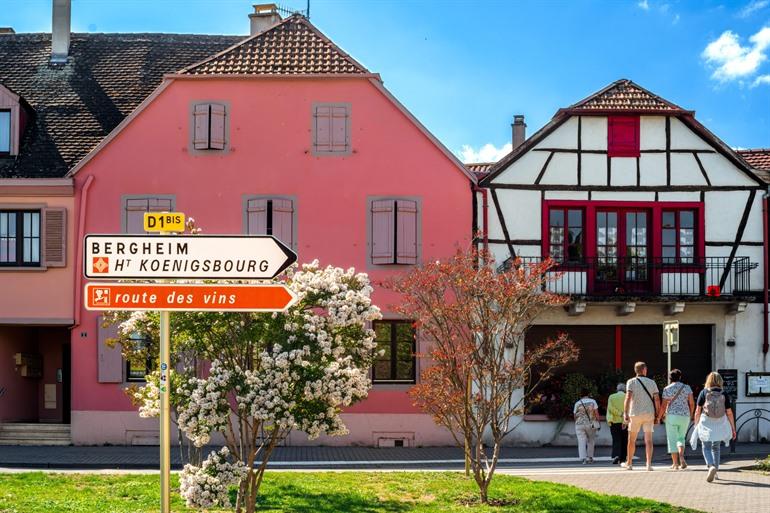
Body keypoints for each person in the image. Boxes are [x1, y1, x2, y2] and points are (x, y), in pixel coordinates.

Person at [692, 371, 737, 482]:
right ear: (720, 381)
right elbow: (729, 412)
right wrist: (733, 427)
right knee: (716, 448)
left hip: (706, 421)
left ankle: (710, 466)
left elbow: (698, 411)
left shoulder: (704, 392)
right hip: (720, 422)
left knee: (706, 446)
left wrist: (695, 424)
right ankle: (715, 470)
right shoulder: (724, 394)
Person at [622, 361, 660, 471]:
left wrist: (625, 412)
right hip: (649, 413)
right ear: (644, 370)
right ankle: (648, 464)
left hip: (635, 413)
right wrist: (657, 415)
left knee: (631, 440)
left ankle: (629, 463)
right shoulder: (652, 382)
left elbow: (628, 398)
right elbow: (657, 399)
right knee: (648, 440)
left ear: (636, 370)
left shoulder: (631, 382)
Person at [657, 369, 694, 470]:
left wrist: (659, 417)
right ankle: (681, 457)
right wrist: (691, 415)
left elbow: (664, 405)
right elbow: (691, 403)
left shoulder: (667, 389)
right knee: (681, 438)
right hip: (685, 416)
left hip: (671, 416)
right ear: (680, 377)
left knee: (672, 439)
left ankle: (675, 464)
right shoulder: (687, 388)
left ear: (670, 378)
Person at [573, 387, 599, 464]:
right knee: (591, 440)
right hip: (591, 424)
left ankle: (583, 458)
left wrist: (577, 422)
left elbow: (575, 415)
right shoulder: (593, 401)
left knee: (581, 441)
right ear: (588, 394)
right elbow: (596, 413)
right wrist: (598, 422)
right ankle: (590, 457)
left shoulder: (577, 403)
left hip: (579, 424)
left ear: (581, 395)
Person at [607, 383, 628, 464]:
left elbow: (610, 408)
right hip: (625, 421)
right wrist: (624, 417)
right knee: (625, 440)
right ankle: (623, 458)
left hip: (614, 421)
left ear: (617, 389)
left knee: (616, 439)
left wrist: (619, 413)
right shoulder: (627, 396)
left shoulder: (611, 397)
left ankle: (616, 456)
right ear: (625, 389)